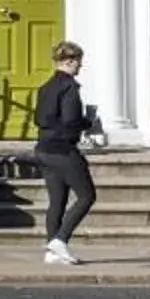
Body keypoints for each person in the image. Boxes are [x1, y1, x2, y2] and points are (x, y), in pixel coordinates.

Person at [34, 40, 102, 265]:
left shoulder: (45, 87)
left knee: (57, 201)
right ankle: (60, 240)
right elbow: (71, 119)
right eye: (78, 63)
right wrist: (88, 123)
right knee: (87, 196)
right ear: (69, 61)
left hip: (43, 149)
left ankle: (52, 251)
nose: (80, 67)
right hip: (64, 150)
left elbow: (39, 119)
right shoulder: (70, 87)